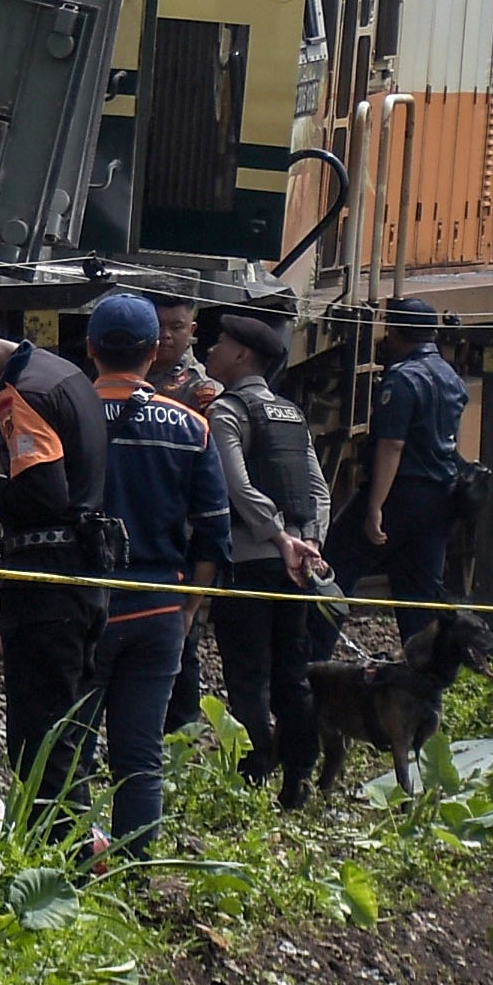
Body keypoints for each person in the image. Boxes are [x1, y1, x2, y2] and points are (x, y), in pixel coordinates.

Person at [0, 314, 110, 825]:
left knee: (40, 741)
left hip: (45, 591)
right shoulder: (64, 373)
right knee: (72, 733)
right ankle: (78, 848)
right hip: (85, 579)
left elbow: (43, 494)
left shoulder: (20, 394)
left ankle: (57, 860)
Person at [85, 296, 226, 852]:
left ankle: (69, 861)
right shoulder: (192, 426)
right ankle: (134, 869)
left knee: (70, 744)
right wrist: (188, 607)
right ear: (153, 351)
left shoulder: (63, 412)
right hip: (160, 606)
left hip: (85, 605)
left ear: (91, 347)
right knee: (140, 752)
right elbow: (214, 530)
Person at [199, 312, 333, 805]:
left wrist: (277, 537)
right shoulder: (290, 413)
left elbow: (235, 484)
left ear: (241, 355)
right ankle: (298, 775)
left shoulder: (227, 412)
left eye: (219, 344)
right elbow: (318, 488)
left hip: (253, 559)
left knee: (248, 673)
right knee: (291, 672)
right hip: (298, 567)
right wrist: (309, 541)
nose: (210, 351)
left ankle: (253, 776)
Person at [362, 299, 468, 647]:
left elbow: (392, 445)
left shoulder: (404, 378)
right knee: (421, 590)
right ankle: (427, 675)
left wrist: (375, 505)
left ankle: (310, 659)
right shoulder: (450, 376)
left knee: (338, 566)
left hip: (404, 494)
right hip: (442, 493)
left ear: (394, 332)